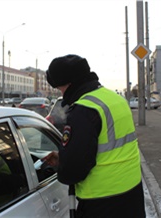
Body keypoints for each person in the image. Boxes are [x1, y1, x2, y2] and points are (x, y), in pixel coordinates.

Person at [42, 54, 146, 218]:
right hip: (132, 195)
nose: (60, 92)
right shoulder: (115, 99)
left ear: (69, 84)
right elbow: (107, 147)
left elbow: (73, 170)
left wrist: (63, 164)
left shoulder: (84, 109)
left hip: (102, 203)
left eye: (59, 87)